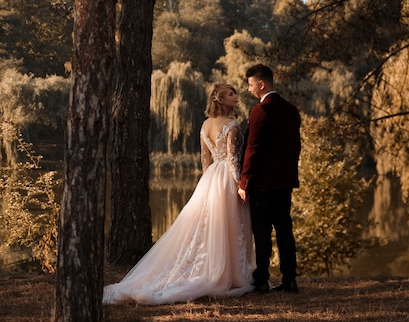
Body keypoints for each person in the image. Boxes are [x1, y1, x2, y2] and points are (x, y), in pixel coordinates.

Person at [103, 84, 254, 305]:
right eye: (231, 94)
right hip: (226, 179)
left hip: (211, 178)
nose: (236, 97)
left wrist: (207, 184)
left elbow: (205, 161)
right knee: (229, 225)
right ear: (220, 99)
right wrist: (240, 185)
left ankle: (217, 268)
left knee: (210, 226)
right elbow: (233, 161)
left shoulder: (204, 126)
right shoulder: (232, 125)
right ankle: (229, 273)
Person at [238, 64, 301, 294]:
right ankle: (290, 279)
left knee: (262, 232)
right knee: (285, 229)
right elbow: (296, 147)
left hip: (262, 184)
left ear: (261, 84)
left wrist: (245, 181)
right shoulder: (291, 110)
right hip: (284, 182)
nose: (249, 89)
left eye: (251, 84)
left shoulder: (260, 111)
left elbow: (253, 149)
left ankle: (262, 280)